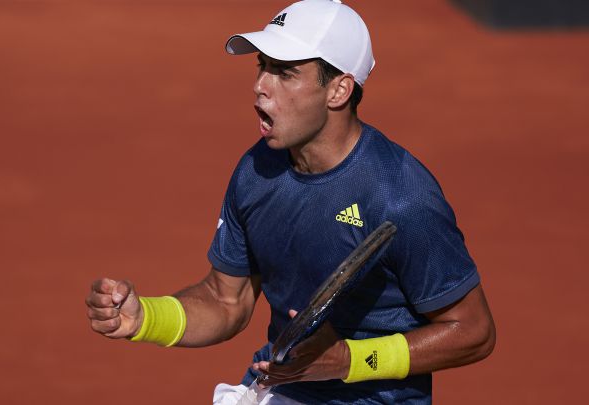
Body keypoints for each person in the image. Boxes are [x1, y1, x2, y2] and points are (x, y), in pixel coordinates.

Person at [85, 1, 496, 403]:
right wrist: (145, 319)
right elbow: (227, 300)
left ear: (338, 89)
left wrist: (349, 360)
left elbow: (474, 331)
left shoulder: (401, 198)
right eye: (262, 66)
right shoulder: (257, 170)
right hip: (280, 388)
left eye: (284, 73)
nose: (260, 85)